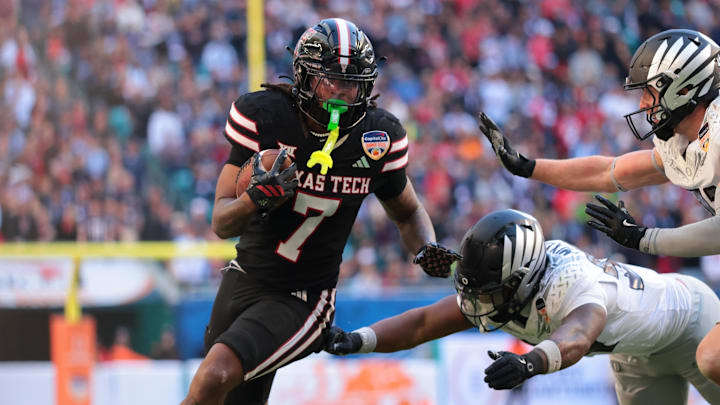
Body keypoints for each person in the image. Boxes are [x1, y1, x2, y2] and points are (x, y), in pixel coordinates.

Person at [181, 18, 461, 405]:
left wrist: (425, 246)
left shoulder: (376, 138)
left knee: (213, 377)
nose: (343, 93)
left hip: (304, 297)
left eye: (353, 83)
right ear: (304, 76)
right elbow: (220, 221)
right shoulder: (266, 116)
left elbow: (408, 211)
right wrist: (254, 199)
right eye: (332, 81)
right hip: (244, 279)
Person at [477, 28, 720, 386]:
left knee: (712, 358)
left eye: (651, 91)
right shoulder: (688, 137)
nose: (643, 104)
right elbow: (610, 171)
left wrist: (646, 239)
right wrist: (529, 167)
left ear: (683, 87)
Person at [324, 209, 720, 404]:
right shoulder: (502, 282)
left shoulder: (571, 281)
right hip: (635, 354)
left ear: (524, 277)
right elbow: (423, 323)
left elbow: (580, 335)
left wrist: (529, 362)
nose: (480, 303)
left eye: (491, 291)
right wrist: (359, 339)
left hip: (690, 324)